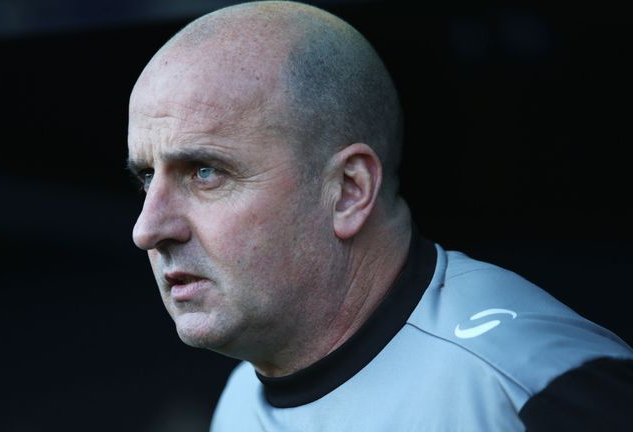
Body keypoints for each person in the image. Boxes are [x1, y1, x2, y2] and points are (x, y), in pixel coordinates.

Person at [126, 1, 633, 430]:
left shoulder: (529, 388)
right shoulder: (244, 397)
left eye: (205, 172)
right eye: (147, 177)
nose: (148, 229)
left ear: (348, 190)